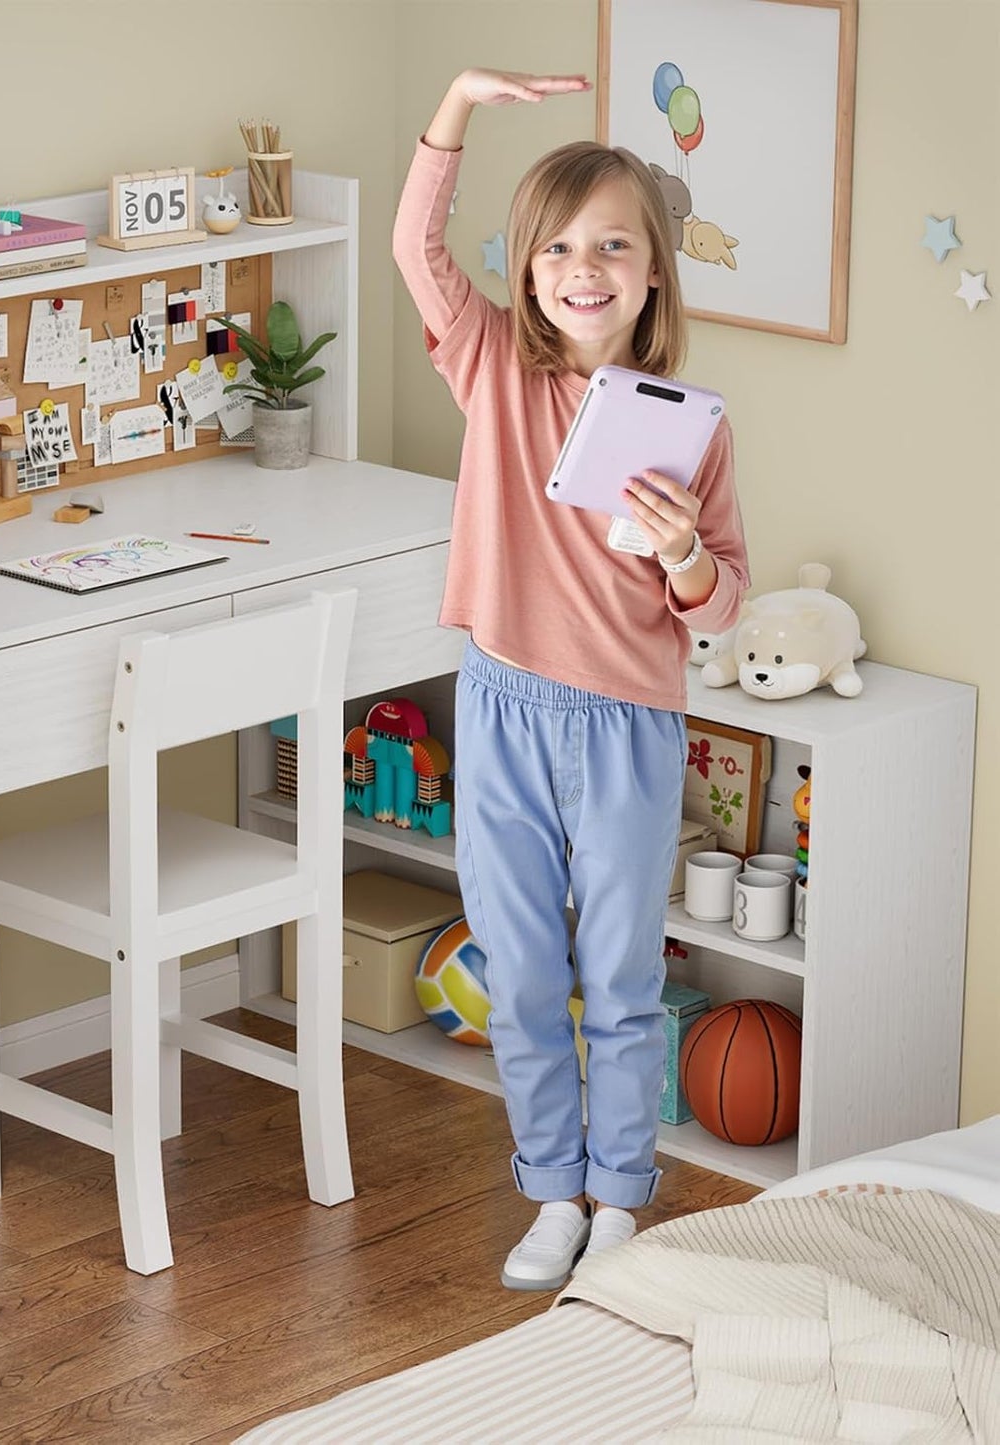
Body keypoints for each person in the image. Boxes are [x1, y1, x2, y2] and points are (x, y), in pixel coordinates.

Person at [393, 67, 749, 1291]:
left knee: (618, 975)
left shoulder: (687, 426)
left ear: (652, 270)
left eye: (612, 244)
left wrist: (682, 550)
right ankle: (549, 1185)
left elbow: (723, 599)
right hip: (498, 700)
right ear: (526, 263)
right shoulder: (490, 362)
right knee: (520, 968)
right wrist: (453, 109)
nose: (581, 266)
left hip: (626, 721)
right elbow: (413, 244)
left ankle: (619, 1197)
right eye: (555, 246)